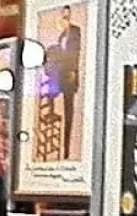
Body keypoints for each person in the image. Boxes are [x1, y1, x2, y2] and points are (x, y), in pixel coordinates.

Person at [57, 5, 81, 159]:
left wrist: (73, 71)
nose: (65, 19)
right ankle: (63, 148)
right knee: (64, 108)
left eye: (67, 16)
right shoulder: (61, 36)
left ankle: (67, 148)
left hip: (70, 76)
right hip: (62, 76)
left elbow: (76, 53)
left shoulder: (76, 31)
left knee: (69, 111)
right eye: (63, 17)